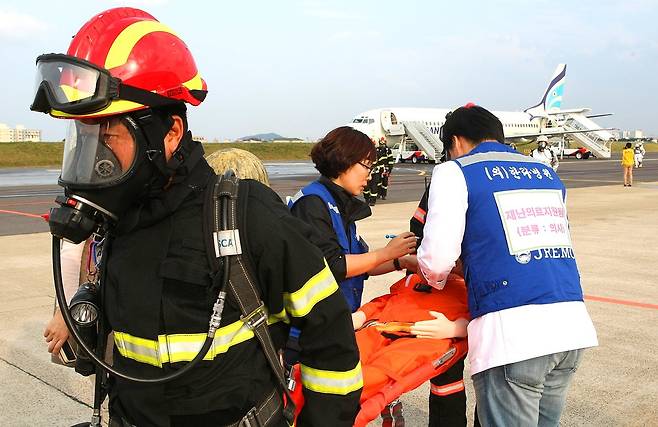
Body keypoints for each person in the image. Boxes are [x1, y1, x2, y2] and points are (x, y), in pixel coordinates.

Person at [32, 7, 361, 426]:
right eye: (84, 138)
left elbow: (330, 338)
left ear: (168, 133)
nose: (94, 160)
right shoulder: (118, 221)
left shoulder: (247, 214)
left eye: (108, 137)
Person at [416, 104, 598, 426]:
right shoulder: (545, 173)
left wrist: (429, 272)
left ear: (455, 142)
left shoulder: (455, 171)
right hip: (571, 327)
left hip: (515, 338)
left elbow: (437, 259)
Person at [288, 126, 417, 313]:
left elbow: (361, 264)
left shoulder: (339, 202)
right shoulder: (312, 204)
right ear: (344, 160)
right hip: (312, 329)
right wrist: (386, 253)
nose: (370, 174)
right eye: (367, 166)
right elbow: (335, 266)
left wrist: (402, 261)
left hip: (337, 321)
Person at [408, 187, 478, 427]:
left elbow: (421, 234)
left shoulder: (449, 178)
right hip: (458, 292)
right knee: (449, 376)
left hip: (457, 287)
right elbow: (419, 229)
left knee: (489, 378)